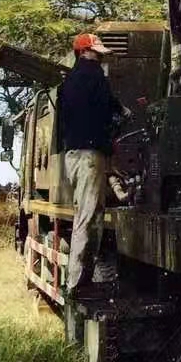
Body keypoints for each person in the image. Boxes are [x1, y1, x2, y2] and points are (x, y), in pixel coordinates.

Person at [58, 32, 126, 299]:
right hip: (89, 156)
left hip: (73, 156)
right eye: (95, 51)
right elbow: (105, 113)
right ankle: (77, 284)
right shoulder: (95, 75)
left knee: (85, 214)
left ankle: (79, 280)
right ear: (85, 51)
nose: (98, 55)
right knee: (88, 217)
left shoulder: (68, 82)